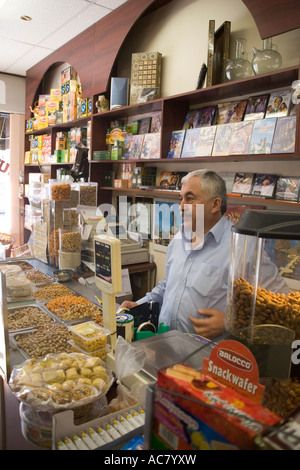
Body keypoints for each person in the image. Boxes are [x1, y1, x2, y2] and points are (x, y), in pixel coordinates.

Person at [120, 170, 288, 339]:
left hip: (209, 359)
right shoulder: (179, 238)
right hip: (165, 347)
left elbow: (282, 306)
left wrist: (232, 323)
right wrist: (140, 304)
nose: (181, 206)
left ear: (215, 205)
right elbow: (168, 286)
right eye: (181, 198)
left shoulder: (243, 247)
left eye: (190, 198)